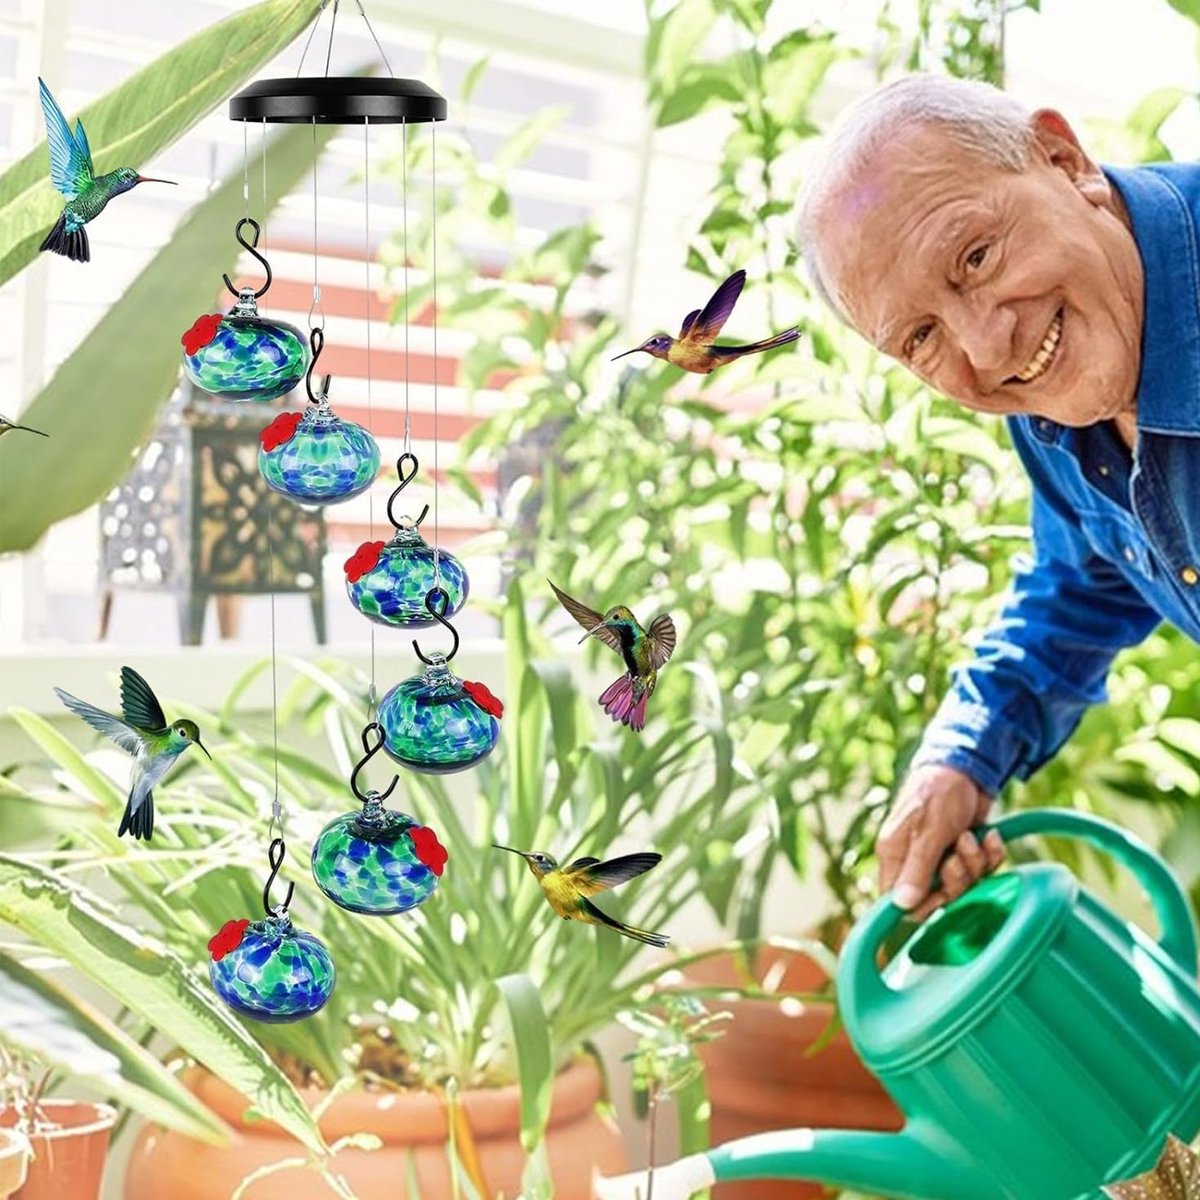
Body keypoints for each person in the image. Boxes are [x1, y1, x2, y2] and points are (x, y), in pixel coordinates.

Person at [798, 73, 1200, 916]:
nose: (986, 346)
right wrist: (963, 755)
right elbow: (1085, 576)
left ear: (1064, 159)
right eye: (921, 336)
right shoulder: (1055, 380)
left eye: (976, 257)